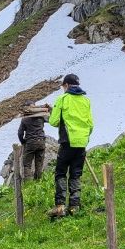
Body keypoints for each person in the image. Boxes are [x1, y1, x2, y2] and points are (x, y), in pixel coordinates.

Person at [47, 73, 93, 218]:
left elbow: (54, 122)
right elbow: (91, 125)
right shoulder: (86, 100)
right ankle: (74, 207)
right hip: (81, 143)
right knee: (76, 174)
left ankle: (60, 206)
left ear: (66, 85)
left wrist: (54, 112)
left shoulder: (62, 98)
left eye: (63, 86)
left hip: (67, 142)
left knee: (61, 173)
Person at [18, 101, 51, 181]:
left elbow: (20, 133)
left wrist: (23, 142)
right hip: (41, 142)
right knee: (39, 164)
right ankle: (38, 182)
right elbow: (51, 119)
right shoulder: (41, 117)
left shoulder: (25, 119)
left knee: (27, 164)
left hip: (30, 143)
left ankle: (28, 184)